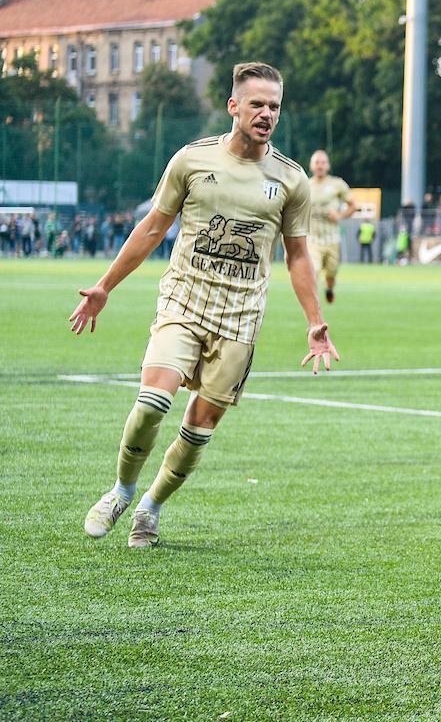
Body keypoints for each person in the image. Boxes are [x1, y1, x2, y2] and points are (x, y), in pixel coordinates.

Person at [73, 62, 339, 549]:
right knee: (153, 401)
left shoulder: (290, 180)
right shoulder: (191, 160)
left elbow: (298, 254)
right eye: (256, 104)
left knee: (201, 427)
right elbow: (153, 228)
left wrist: (315, 322)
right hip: (185, 300)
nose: (266, 114)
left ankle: (150, 508)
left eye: (274, 106)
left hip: (240, 318)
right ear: (233, 106)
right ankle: (120, 491)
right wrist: (105, 286)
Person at [306, 149, 356, 304]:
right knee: (313, 270)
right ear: (311, 166)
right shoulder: (305, 185)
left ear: (328, 166)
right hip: (313, 238)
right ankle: (313, 304)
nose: (320, 166)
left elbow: (353, 206)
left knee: (331, 273)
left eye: (323, 162)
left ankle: (329, 288)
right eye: (317, 162)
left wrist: (339, 216)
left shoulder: (337, 184)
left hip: (332, 238)